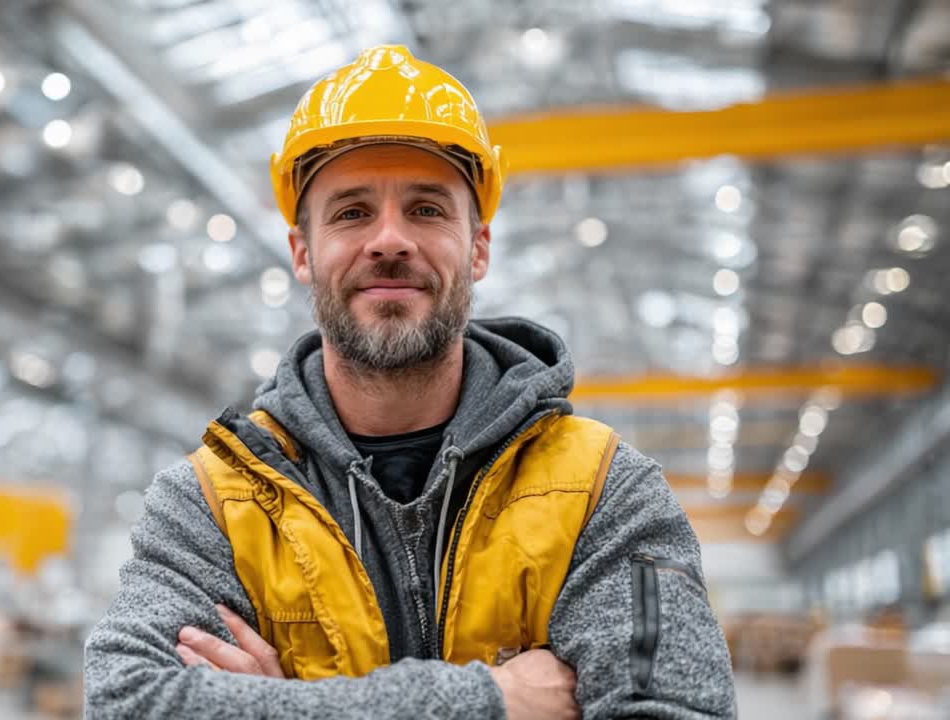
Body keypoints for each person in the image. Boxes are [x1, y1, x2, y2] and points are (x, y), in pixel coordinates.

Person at [84, 45, 736, 719]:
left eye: (426, 209)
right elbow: (126, 702)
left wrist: (285, 706)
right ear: (302, 252)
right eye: (352, 212)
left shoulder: (602, 491)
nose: (389, 240)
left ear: (478, 248)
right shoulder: (212, 504)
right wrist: (487, 702)